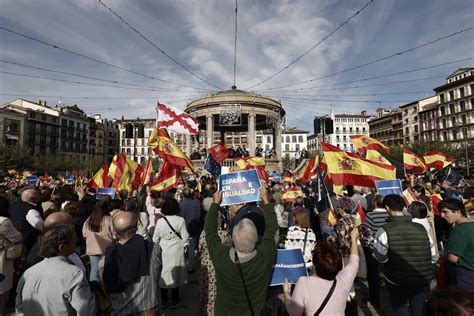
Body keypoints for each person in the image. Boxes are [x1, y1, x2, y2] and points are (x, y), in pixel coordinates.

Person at [205, 187, 278, 315]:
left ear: (233, 238)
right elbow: (272, 229)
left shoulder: (222, 257)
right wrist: (266, 200)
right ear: (256, 239)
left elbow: (210, 231)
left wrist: (215, 203)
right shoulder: (264, 257)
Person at [16, 223, 96, 315]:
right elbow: (86, 311)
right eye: (74, 238)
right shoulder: (74, 274)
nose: (77, 240)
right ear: (62, 247)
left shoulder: (28, 273)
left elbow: (19, 307)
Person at [373, 194, 432, 316]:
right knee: (419, 309)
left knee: (400, 309)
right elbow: (433, 253)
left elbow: (380, 256)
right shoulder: (420, 227)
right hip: (420, 277)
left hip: (396, 279)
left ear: (388, 208)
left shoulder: (384, 230)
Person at [284, 228, 359, 315]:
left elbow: (294, 313)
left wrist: (286, 294)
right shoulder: (343, 281)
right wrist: (354, 239)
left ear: (315, 264)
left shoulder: (303, 283)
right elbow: (354, 263)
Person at [99, 211, 162, 315]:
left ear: (114, 232)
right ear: (136, 227)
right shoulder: (153, 249)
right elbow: (157, 273)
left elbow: (107, 288)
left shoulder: (105, 262)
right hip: (148, 310)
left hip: (120, 311)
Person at [153, 197, 189, 309]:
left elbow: (155, 238)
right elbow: (185, 236)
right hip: (177, 250)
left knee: (164, 274)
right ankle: (174, 300)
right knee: (176, 273)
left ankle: (163, 301)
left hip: (164, 250)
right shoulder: (180, 220)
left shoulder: (160, 221)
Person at [438, 198, 474, 293]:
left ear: (457, 211)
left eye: (445, 212)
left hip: (464, 277)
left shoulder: (459, 230)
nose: (442, 215)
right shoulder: (471, 224)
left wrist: (445, 256)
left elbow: (452, 257)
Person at [360, 194, 388, 308]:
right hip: (387, 248)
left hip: (373, 248)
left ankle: (374, 299)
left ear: (375, 203)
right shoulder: (389, 215)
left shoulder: (371, 215)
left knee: (373, 276)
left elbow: (366, 233)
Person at [82, 197, 114, 282]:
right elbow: (115, 235)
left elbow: (84, 235)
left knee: (94, 270)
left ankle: (95, 289)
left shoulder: (88, 220)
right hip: (107, 250)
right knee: (107, 271)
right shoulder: (109, 219)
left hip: (92, 249)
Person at [0, 196, 22, 314]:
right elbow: (17, 237)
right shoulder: (4, 221)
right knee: (2, 288)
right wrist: (17, 229)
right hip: (2, 257)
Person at [9, 188, 43, 252]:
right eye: (38, 195)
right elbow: (42, 227)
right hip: (28, 245)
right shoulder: (31, 211)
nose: (40, 196)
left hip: (17, 243)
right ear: (32, 198)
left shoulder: (14, 206)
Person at [180, 188, 201, 273]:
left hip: (183, 229)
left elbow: (180, 217)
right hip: (192, 228)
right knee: (191, 248)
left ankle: (184, 266)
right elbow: (198, 217)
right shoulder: (196, 204)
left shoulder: (181, 204)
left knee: (184, 249)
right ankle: (190, 267)